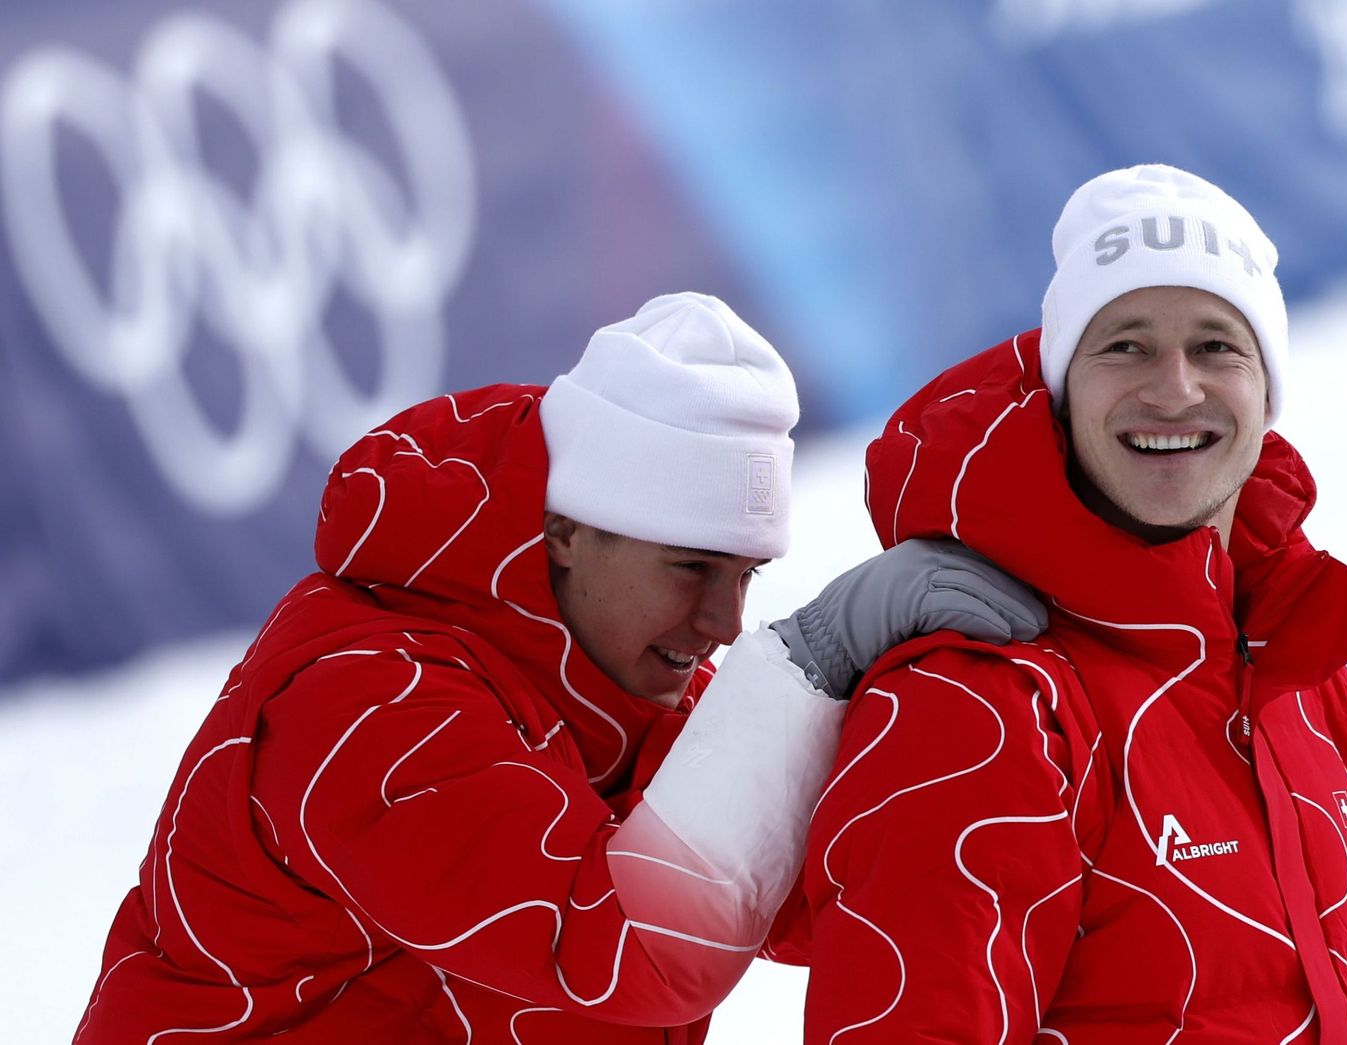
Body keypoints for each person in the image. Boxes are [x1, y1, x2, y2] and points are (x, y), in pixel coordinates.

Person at [73, 292, 1046, 1043]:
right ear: (571, 531)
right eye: (691, 569)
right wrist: (804, 666)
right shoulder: (370, 700)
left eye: (746, 576)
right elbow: (632, 949)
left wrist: (948, 719)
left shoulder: (623, 672)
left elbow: (791, 885)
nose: (721, 623)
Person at [800, 166, 1347, 1042]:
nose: (1174, 388)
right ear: (1062, 390)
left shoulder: (1301, 673)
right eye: (1124, 344)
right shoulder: (981, 706)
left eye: (1217, 345)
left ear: (1268, 392)